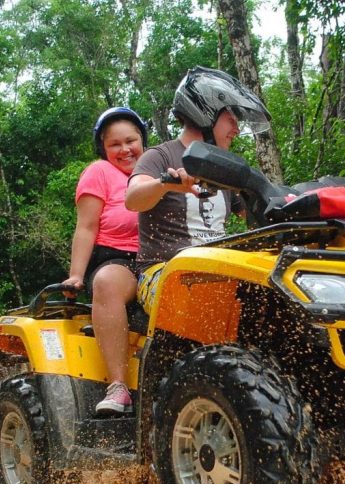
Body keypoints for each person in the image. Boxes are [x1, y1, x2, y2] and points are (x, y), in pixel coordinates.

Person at [91, 66, 272, 416]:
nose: (236, 127)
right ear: (204, 113)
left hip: (222, 269)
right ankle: (119, 387)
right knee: (207, 298)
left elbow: (250, 210)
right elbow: (134, 198)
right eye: (231, 117)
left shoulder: (229, 166)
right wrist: (165, 184)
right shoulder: (160, 156)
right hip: (165, 271)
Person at [59, 106, 148, 415]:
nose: (125, 150)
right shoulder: (99, 172)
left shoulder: (157, 171)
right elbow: (86, 226)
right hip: (118, 260)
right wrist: (75, 275)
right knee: (107, 283)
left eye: (131, 141)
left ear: (142, 141)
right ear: (103, 149)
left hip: (162, 257)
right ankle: (119, 386)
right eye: (115, 144)